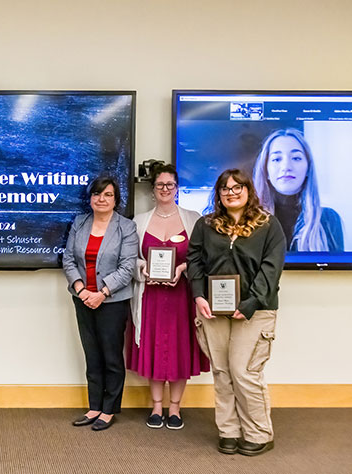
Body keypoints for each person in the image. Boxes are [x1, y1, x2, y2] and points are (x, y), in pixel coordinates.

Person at [187, 168, 286, 456]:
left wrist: (251, 302)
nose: (231, 193)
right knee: (221, 371)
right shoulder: (205, 225)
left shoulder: (269, 225)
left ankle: (258, 433)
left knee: (244, 372)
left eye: (237, 187)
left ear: (249, 190)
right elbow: (194, 260)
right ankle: (229, 431)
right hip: (212, 311)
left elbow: (271, 268)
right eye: (225, 189)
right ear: (218, 194)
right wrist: (198, 295)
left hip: (256, 311)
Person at [126, 163, 209, 430]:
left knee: (179, 350)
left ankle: (175, 408)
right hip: (149, 296)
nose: (165, 189)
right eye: (160, 185)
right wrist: (143, 268)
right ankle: (156, 406)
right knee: (152, 348)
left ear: (177, 188)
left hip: (181, 297)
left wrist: (183, 268)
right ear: (153, 190)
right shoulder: (138, 221)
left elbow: (202, 258)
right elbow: (131, 259)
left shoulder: (194, 218)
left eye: (170, 185)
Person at [62, 176, 138, 431]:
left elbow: (128, 267)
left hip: (113, 301)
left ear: (116, 200)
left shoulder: (126, 227)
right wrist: (82, 290)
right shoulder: (80, 222)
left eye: (107, 195)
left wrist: (102, 293)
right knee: (92, 355)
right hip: (82, 299)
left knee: (111, 356)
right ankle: (94, 406)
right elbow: (69, 260)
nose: (101, 199)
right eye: (96, 194)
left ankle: (109, 409)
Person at [253, 128, 343, 251]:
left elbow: (338, 270)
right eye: (277, 159)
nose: (286, 167)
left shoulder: (328, 219)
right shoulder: (246, 219)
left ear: (308, 168)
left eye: (296, 158)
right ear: (266, 170)